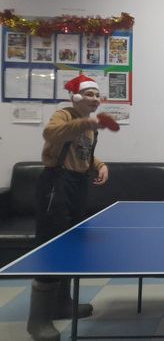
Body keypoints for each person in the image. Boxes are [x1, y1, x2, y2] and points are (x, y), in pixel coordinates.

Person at [28, 75, 110, 341]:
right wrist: (83, 122)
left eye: (97, 95)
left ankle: (62, 304)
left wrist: (100, 165)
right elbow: (50, 134)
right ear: (76, 97)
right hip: (56, 184)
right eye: (89, 94)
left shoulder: (89, 126)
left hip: (78, 185)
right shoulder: (64, 115)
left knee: (70, 245)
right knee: (51, 245)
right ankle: (38, 321)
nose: (94, 99)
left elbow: (83, 152)